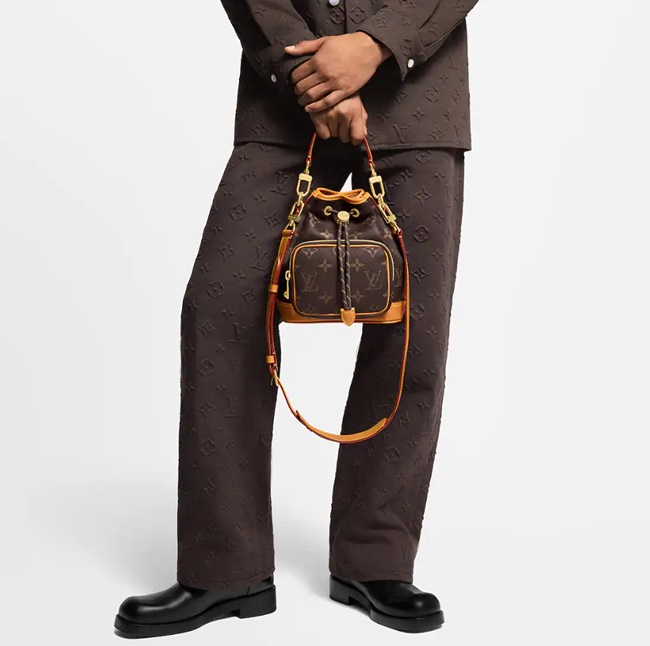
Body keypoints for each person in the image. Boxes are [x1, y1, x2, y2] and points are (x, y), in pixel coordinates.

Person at [113, 0, 480, 637]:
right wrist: (312, 75)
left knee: (411, 334)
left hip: (420, 100)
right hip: (283, 99)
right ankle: (226, 567)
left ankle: (374, 559)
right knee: (220, 311)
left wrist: (376, 44)